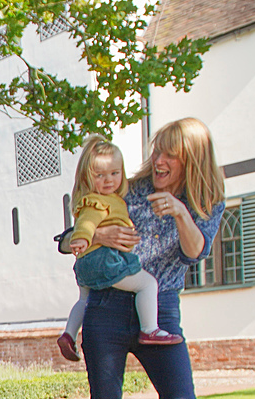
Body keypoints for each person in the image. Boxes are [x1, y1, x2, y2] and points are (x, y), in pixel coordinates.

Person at [63, 118, 227, 399]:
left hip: (162, 306)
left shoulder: (207, 200)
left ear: (190, 160)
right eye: (157, 151)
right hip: (107, 308)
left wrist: (179, 210)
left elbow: (196, 250)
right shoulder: (125, 188)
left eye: (170, 154)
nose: (159, 161)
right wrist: (98, 234)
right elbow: (68, 237)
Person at [56, 136, 185, 362]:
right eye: (100, 175)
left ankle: (68, 334)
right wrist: (84, 238)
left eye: (115, 174)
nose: (109, 180)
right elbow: (87, 223)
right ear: (88, 176)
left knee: (84, 300)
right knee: (147, 284)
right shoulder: (99, 201)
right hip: (104, 260)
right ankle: (150, 329)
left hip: (86, 265)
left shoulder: (90, 199)